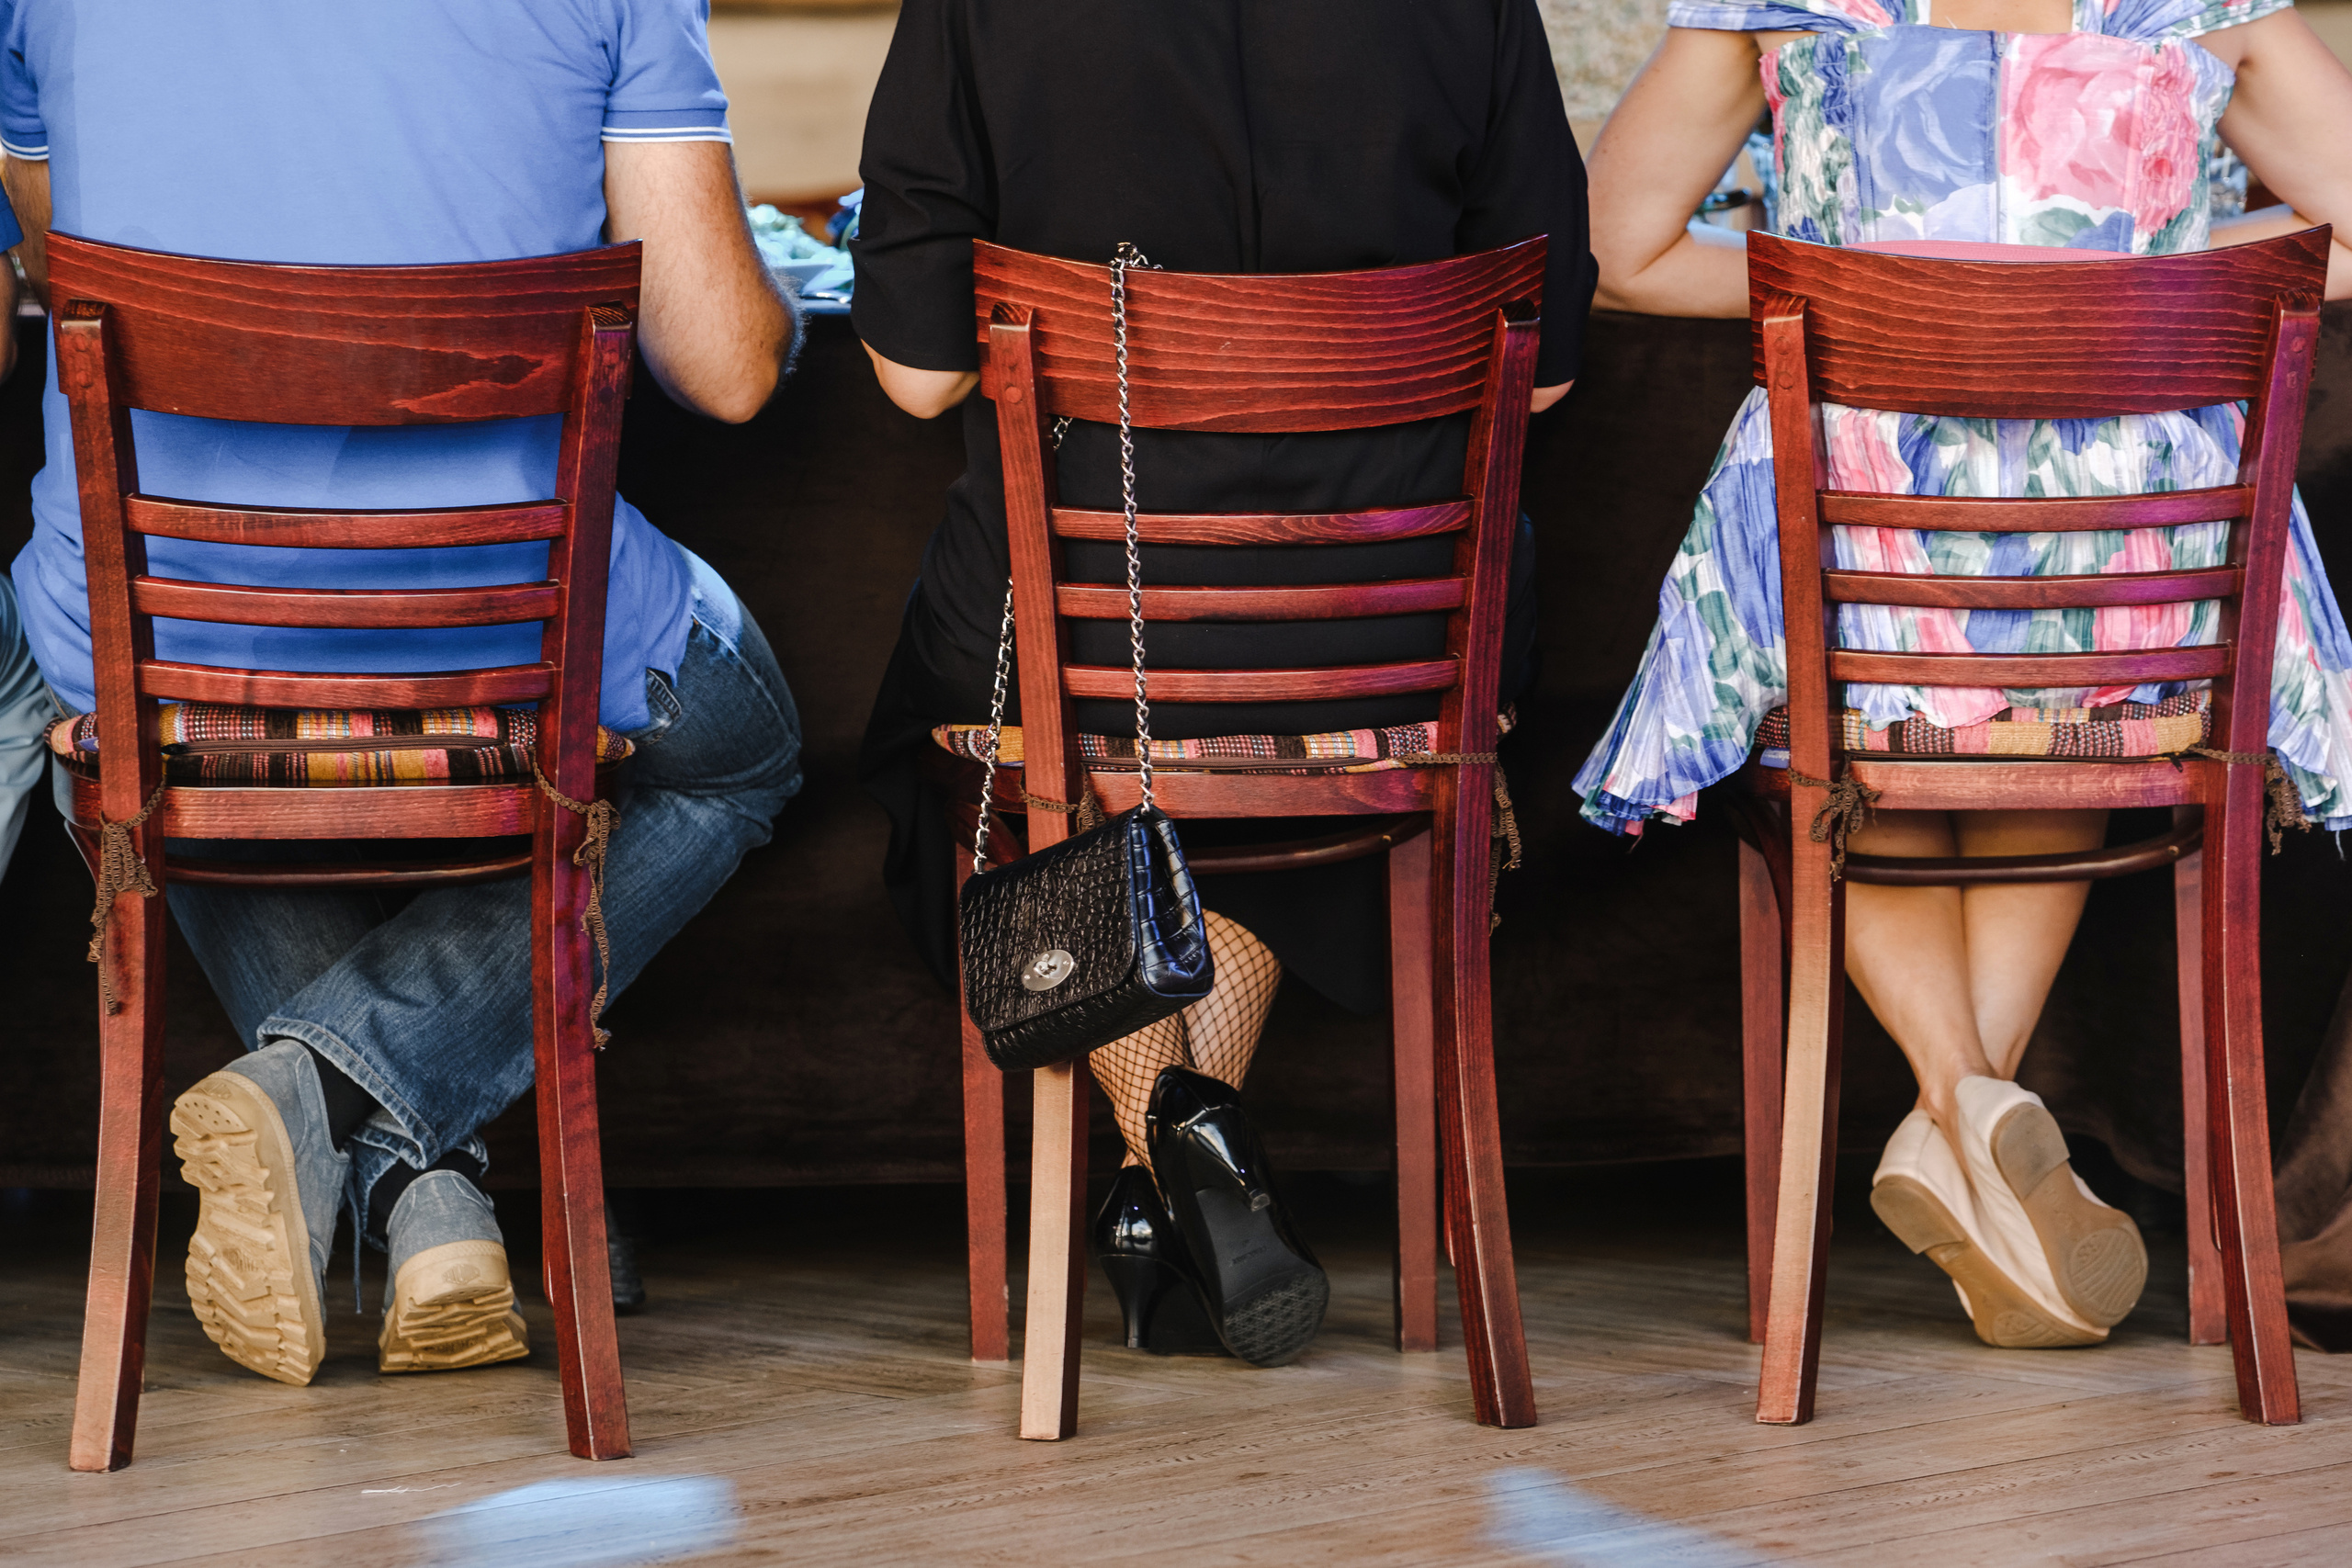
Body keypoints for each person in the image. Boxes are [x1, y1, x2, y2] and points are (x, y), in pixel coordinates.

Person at [1, 0, 801, 1387]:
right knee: (744, 749)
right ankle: (378, 1130)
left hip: (154, 624)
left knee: (179, 735)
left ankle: (366, 1139)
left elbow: (70, 244)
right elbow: (726, 370)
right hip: (503, 629)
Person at [1574, 0, 2352, 1346]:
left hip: (1861, 549)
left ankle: (1959, 1107)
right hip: (2121, 584)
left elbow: (1622, 252)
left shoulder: (1785, 8)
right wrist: (2146, 260)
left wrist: (1844, 276)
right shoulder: (2199, 7)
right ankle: (1975, 1113)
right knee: (2072, 703)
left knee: (1837, 733)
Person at [852, 0, 1595, 1366]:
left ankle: (1177, 1154)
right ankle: (1187, 1158)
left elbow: (916, 374)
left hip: (1081, 640)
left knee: (1036, 753)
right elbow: (1537, 373)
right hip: (1390, 645)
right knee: (1282, 747)